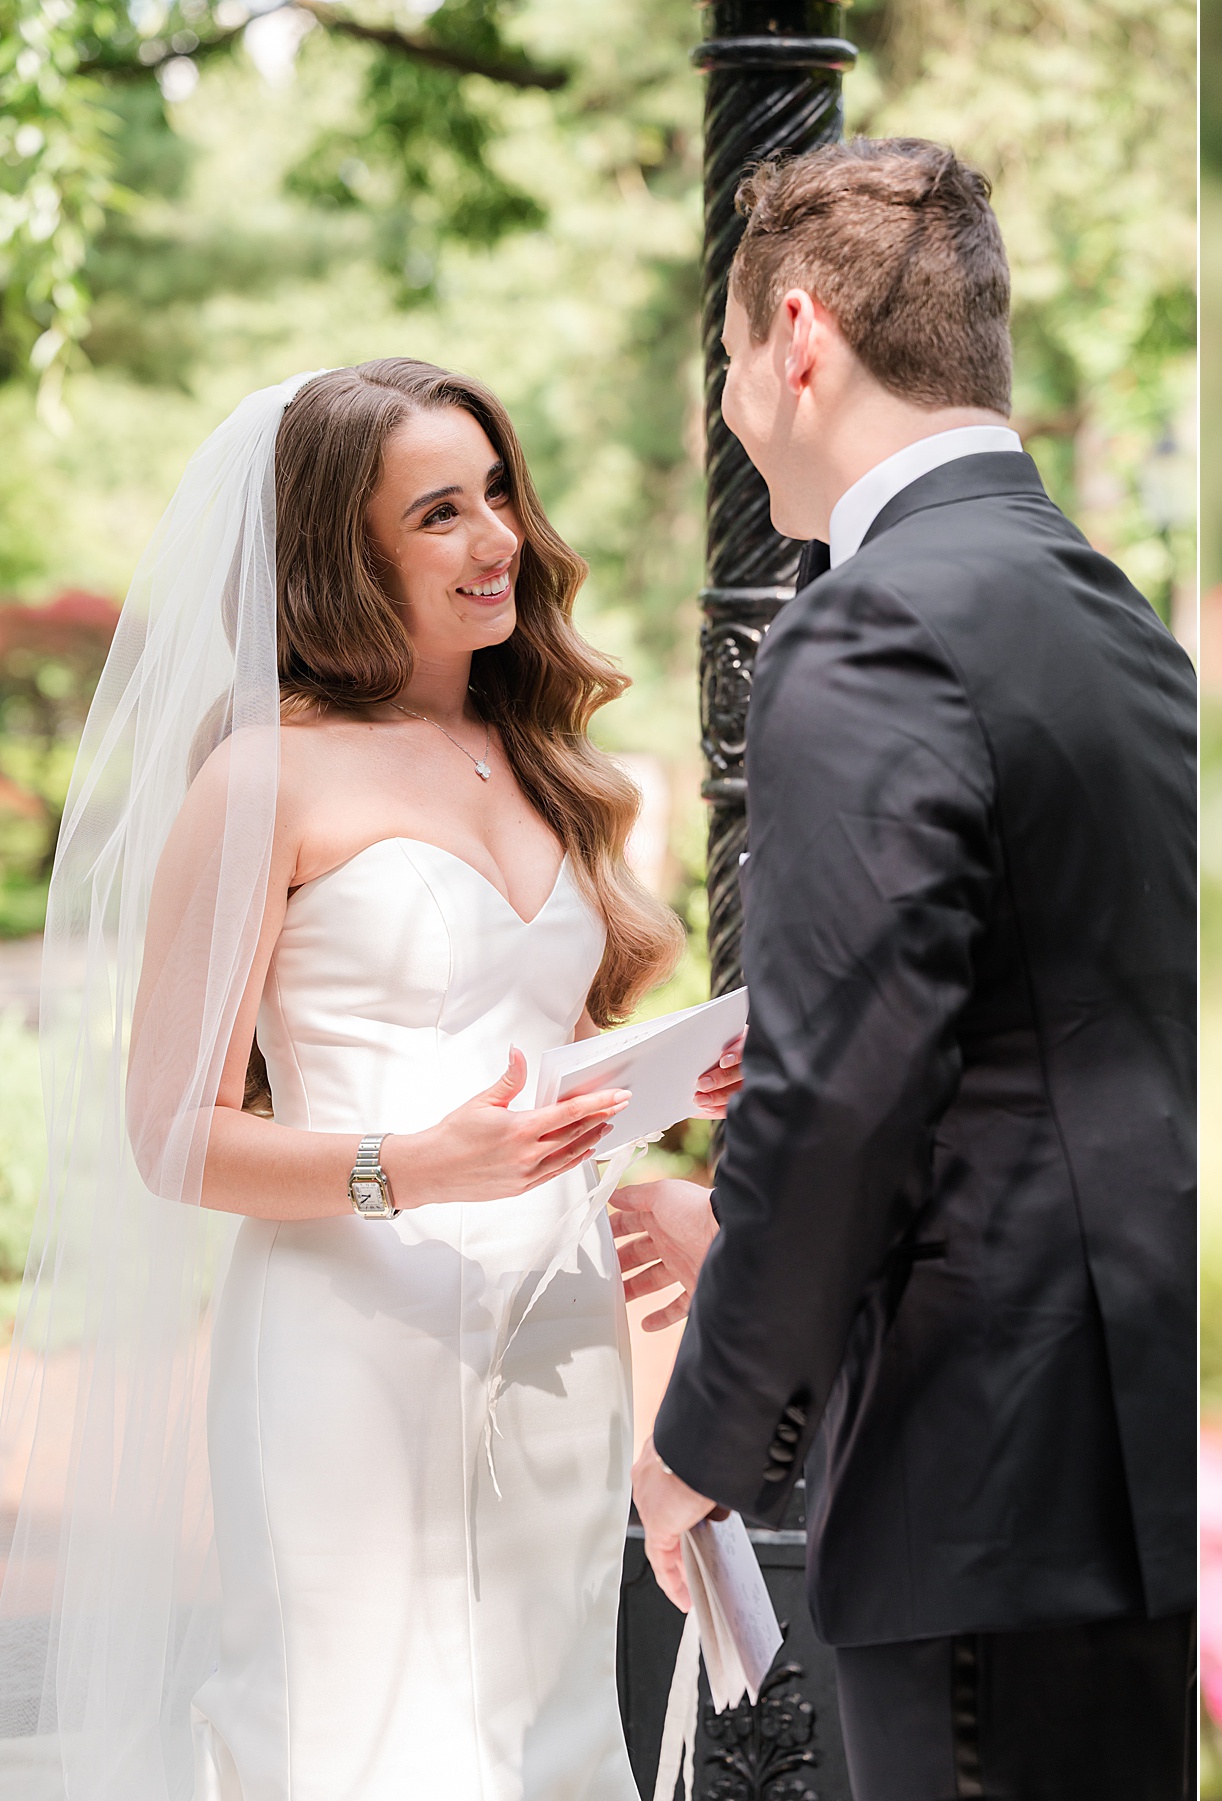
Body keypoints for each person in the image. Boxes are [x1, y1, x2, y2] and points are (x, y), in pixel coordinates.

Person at [0, 359, 739, 1799]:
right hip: (351, 1341)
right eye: (441, 513)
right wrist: (414, 1164)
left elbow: (518, 1051)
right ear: (347, 553)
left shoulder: (546, 764)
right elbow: (171, 1133)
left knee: (550, 1731)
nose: (498, 539)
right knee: (357, 1733)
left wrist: (652, 1101)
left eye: (501, 494)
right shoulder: (265, 777)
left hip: (558, 1324)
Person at [613, 138, 1197, 1798]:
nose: (731, 403)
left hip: (984, 1485)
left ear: (797, 335)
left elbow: (845, 1094)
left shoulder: (869, 625)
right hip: (1138, 1468)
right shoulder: (1113, 617)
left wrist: (704, 1439)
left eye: (728, 356)